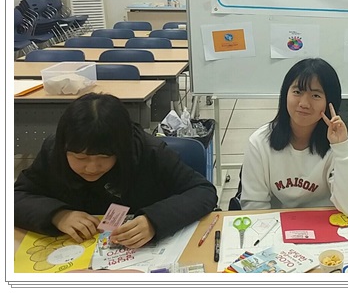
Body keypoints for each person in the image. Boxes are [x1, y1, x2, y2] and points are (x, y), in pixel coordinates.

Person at [14, 93, 218, 248]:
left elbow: (202, 191)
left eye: (104, 157)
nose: (91, 168)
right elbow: (16, 197)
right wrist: (57, 215)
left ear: (121, 149)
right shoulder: (54, 151)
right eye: (80, 158)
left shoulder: (149, 152)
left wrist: (154, 221)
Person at [240, 58, 348, 217]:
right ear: (285, 94)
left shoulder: (339, 146)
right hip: (277, 227)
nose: (304, 103)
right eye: (297, 92)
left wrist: (342, 150)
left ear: (330, 102)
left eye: (315, 95)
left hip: (326, 225)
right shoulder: (259, 143)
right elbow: (254, 208)